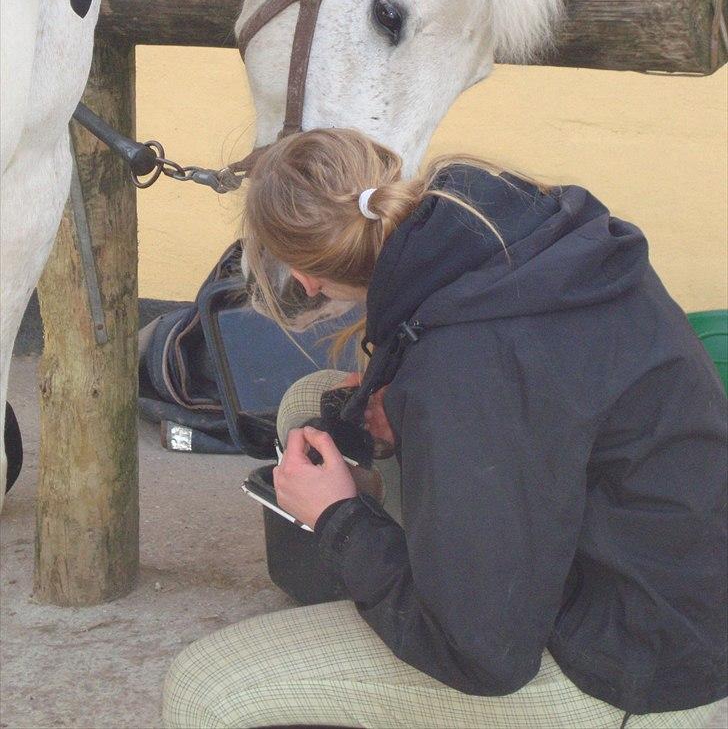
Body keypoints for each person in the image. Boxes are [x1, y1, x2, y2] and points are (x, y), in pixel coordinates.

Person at [162, 128, 727, 729]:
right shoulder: (509, 222)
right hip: (684, 571)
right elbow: (539, 397)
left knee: (207, 689)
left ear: (304, 279)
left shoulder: (462, 369)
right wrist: (411, 411)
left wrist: (339, 519)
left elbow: (486, 656)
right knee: (310, 399)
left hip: (643, 665)